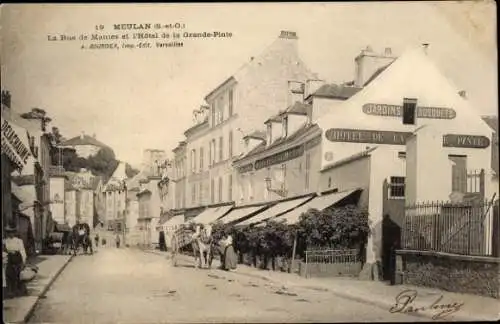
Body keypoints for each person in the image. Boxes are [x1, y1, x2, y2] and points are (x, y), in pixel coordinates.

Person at [3, 224, 28, 298]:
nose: (11, 234)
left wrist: (24, 260)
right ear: (7, 233)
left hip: (17, 258)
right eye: (9, 232)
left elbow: (22, 250)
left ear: (14, 232)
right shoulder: (5, 241)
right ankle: (10, 292)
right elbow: (4, 251)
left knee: (17, 275)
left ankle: (18, 291)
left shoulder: (19, 241)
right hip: (9, 258)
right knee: (9, 274)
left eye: (12, 232)